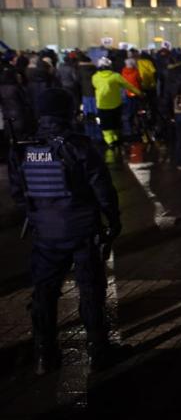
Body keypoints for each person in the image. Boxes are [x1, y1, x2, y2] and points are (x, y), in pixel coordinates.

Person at [7, 88, 128, 374]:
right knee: (90, 291)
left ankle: (44, 355)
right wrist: (113, 219)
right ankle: (99, 351)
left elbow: (19, 195)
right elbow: (102, 189)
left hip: (45, 233)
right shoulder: (78, 146)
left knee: (44, 293)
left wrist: (40, 213)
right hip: (82, 229)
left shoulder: (23, 147)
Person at [92, 57, 139, 147]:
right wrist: (140, 93)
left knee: (105, 124)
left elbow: (95, 86)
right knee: (115, 122)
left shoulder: (95, 77)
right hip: (116, 104)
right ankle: (116, 138)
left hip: (102, 104)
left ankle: (110, 141)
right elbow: (129, 86)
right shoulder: (116, 76)